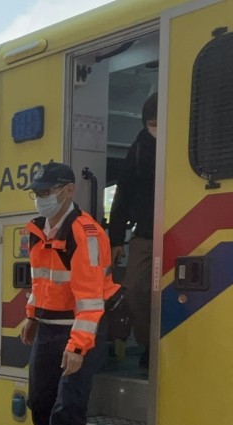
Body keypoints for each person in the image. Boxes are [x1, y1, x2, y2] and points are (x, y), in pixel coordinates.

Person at [21, 162, 121, 425]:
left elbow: (91, 299)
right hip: (49, 327)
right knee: (39, 401)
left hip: (81, 327)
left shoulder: (86, 233)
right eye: (37, 193)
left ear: (68, 191)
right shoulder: (35, 230)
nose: (40, 199)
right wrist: (32, 314)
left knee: (67, 405)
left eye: (46, 192)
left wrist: (78, 346)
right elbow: (41, 280)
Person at [108, 92, 158, 370]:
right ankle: (150, 347)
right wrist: (116, 238)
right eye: (151, 123)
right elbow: (123, 193)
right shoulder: (139, 148)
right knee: (136, 290)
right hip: (146, 234)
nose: (155, 129)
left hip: (182, 230)